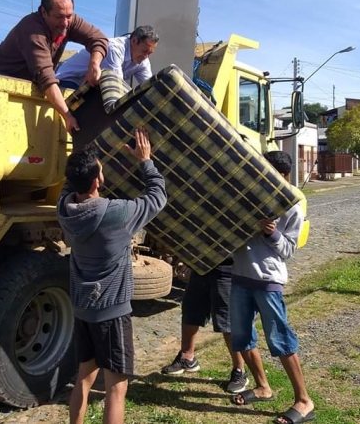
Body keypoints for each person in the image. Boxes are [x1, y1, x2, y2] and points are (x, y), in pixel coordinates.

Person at [58, 128, 167, 424]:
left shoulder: (64, 209)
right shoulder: (116, 214)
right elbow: (157, 196)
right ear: (97, 181)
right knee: (116, 389)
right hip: (112, 313)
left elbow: (69, 186)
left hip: (83, 309)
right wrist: (145, 160)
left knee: (84, 377)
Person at [229, 151, 315, 424]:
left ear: (283, 176)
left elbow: (289, 249)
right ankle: (263, 387)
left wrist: (272, 232)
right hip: (240, 278)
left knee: (280, 339)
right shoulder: (247, 198)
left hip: (268, 282)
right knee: (241, 337)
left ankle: (304, 401)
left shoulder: (292, 206)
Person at [0, 0, 108, 133]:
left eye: (69, 16)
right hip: (0, 79)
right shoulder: (32, 30)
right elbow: (46, 77)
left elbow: (99, 38)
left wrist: (93, 65)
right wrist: (67, 116)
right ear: (43, 12)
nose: (65, 23)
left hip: (30, 82)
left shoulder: (69, 21)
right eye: (59, 17)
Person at [160, 259, 249, 394]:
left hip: (227, 269)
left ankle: (240, 370)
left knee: (228, 322)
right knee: (191, 311)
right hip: (200, 266)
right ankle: (187, 358)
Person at [56, 25, 159, 90]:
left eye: (150, 53)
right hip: (69, 79)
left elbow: (149, 88)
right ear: (134, 41)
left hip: (88, 87)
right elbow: (116, 87)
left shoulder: (143, 60)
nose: (146, 57)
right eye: (145, 51)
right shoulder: (114, 49)